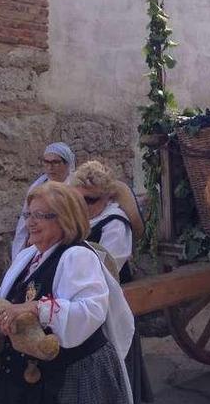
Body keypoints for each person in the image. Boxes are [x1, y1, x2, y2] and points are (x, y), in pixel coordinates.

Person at [0, 181, 134, 403]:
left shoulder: (77, 256)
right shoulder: (29, 255)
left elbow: (90, 312)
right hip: (27, 376)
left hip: (71, 375)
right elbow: (9, 301)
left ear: (65, 218)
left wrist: (36, 308)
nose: (30, 223)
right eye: (28, 215)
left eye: (40, 216)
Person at [71, 161, 154, 404]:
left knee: (116, 361)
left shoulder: (115, 223)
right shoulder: (81, 220)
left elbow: (109, 266)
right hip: (85, 295)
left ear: (106, 198)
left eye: (91, 200)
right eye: (79, 200)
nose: (84, 206)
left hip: (110, 301)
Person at [13, 142, 77, 259]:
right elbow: (24, 221)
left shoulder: (75, 189)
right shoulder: (37, 187)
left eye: (55, 162)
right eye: (46, 162)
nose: (50, 167)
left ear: (67, 164)